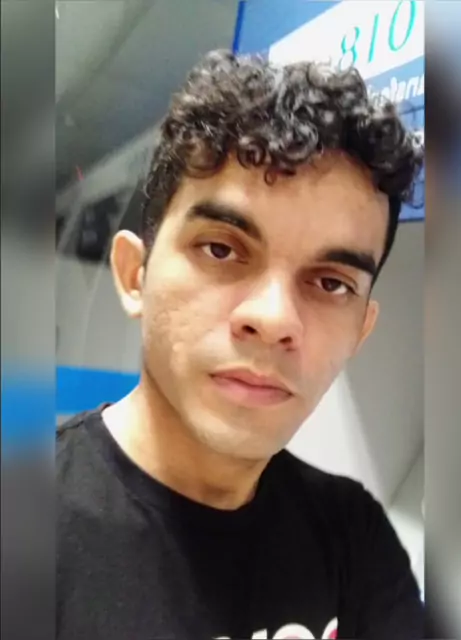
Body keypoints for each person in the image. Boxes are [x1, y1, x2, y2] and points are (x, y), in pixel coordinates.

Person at [57, 50, 424, 640]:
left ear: (361, 329)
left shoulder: (353, 539)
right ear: (134, 275)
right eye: (222, 249)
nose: (274, 319)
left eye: (331, 283)